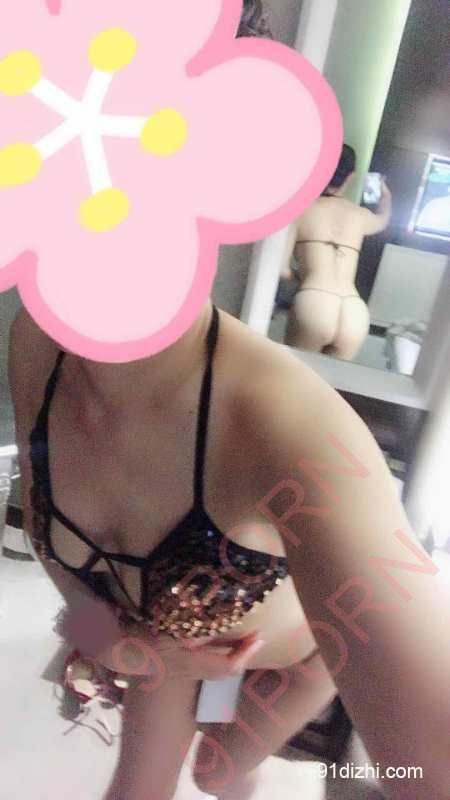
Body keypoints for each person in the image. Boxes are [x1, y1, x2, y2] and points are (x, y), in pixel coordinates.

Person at [8, 7, 450, 800]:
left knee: (220, 773)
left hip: (297, 653)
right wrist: (117, 646)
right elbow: (60, 569)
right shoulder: (37, 341)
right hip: (174, 643)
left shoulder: (291, 431)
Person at [282, 145, 392, 360]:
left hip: (314, 301)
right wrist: (386, 197)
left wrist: (303, 277)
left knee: (294, 376)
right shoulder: (360, 215)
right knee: (330, 380)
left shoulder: (299, 210)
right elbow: (383, 221)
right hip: (354, 310)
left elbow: (282, 270)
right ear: (350, 176)